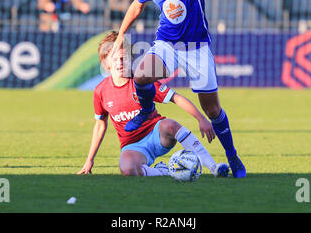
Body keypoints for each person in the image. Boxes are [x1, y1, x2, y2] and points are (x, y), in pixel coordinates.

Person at [110, 0, 246, 178]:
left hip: (196, 48)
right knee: (141, 77)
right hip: (167, 45)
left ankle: (232, 156)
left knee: (212, 110)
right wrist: (121, 34)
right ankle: (146, 109)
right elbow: (136, 6)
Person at [77, 31, 229, 177]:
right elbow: (100, 125)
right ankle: (164, 171)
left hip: (157, 135)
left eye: (124, 58)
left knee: (169, 124)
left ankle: (214, 167)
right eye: (115, 59)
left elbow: (176, 98)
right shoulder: (100, 91)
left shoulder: (140, 82)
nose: (120, 62)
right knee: (128, 170)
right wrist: (89, 159)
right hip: (133, 145)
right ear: (106, 64)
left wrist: (201, 119)